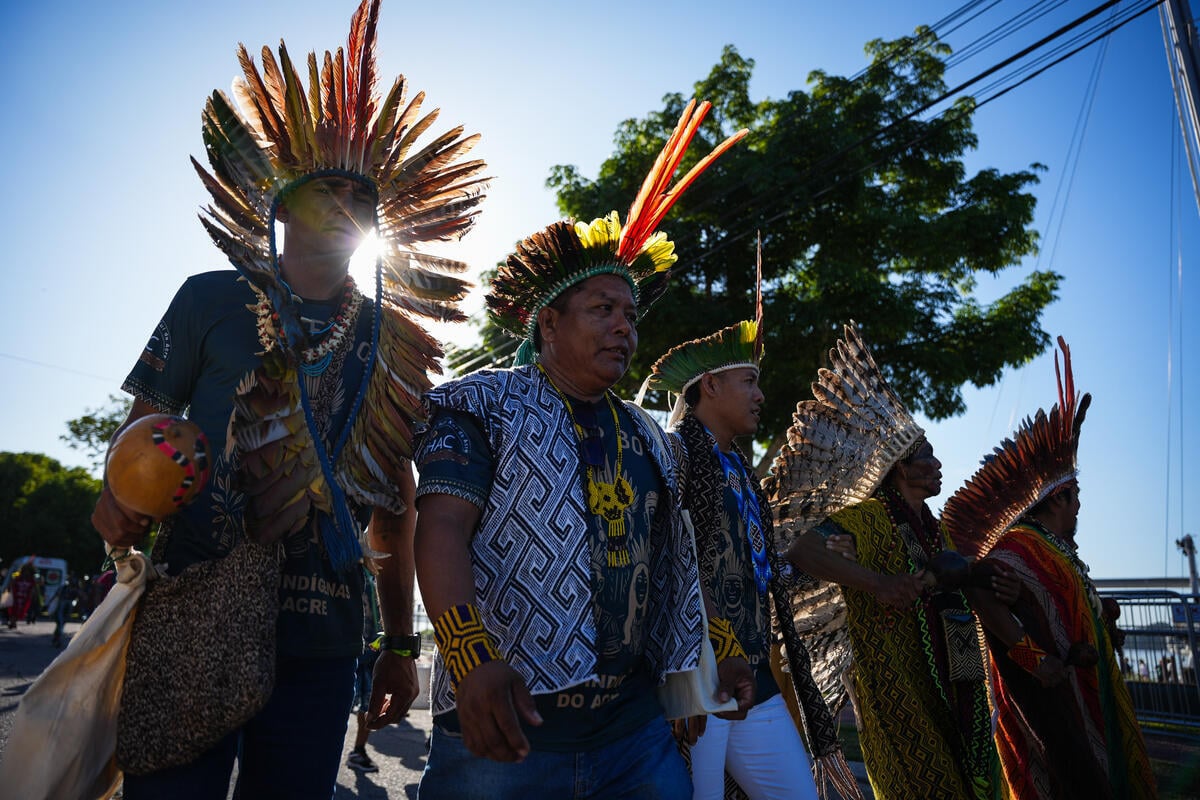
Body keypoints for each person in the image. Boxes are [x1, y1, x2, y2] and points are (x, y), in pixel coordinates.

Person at [88, 1, 486, 796]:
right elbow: (147, 430)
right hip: (194, 607)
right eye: (326, 190)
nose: (346, 206)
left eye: (361, 197)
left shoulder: (395, 342)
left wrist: (401, 645)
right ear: (278, 207)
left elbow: (395, 507)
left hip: (321, 637)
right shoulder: (210, 300)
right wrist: (114, 497)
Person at [412, 100, 748, 799]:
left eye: (629, 314)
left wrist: (711, 653)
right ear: (547, 324)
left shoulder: (651, 434)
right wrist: (471, 660)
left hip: (634, 732)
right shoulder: (479, 405)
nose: (624, 327)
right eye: (602, 309)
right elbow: (439, 527)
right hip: (507, 728)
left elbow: (673, 559)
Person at [771, 323, 1004, 800]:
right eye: (928, 457)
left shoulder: (935, 528)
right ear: (901, 467)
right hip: (895, 686)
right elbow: (803, 549)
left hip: (951, 678)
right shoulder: (871, 518)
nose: (938, 465)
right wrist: (876, 583)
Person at [641, 317, 862, 800]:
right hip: (697, 673)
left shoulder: (740, 470)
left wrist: (817, 566)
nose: (761, 396)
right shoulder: (675, 456)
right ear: (711, 385)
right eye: (750, 381)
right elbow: (671, 562)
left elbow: (756, 565)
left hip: (753, 674)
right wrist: (720, 642)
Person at [942, 337, 1157, 799]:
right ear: (1058, 498)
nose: (1080, 508)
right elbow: (983, 595)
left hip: (1085, 694)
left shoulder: (1056, 551)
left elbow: (1060, 610)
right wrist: (1034, 660)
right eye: (1075, 498)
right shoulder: (1019, 547)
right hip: (1054, 708)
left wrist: (1099, 625)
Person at [347, 564, 383, 773]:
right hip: (352, 648)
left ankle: (358, 750)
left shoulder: (374, 571)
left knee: (369, 705)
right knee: (341, 704)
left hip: (372, 648)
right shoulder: (351, 564)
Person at [7, 565, 36, 630]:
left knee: (20, 611)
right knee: (13, 610)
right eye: (25, 571)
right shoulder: (17, 578)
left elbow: (32, 590)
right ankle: (12, 622)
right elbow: (11, 585)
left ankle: (14, 622)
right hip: (15, 597)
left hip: (24, 599)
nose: (27, 573)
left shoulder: (32, 580)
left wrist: (31, 597)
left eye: (28, 571)